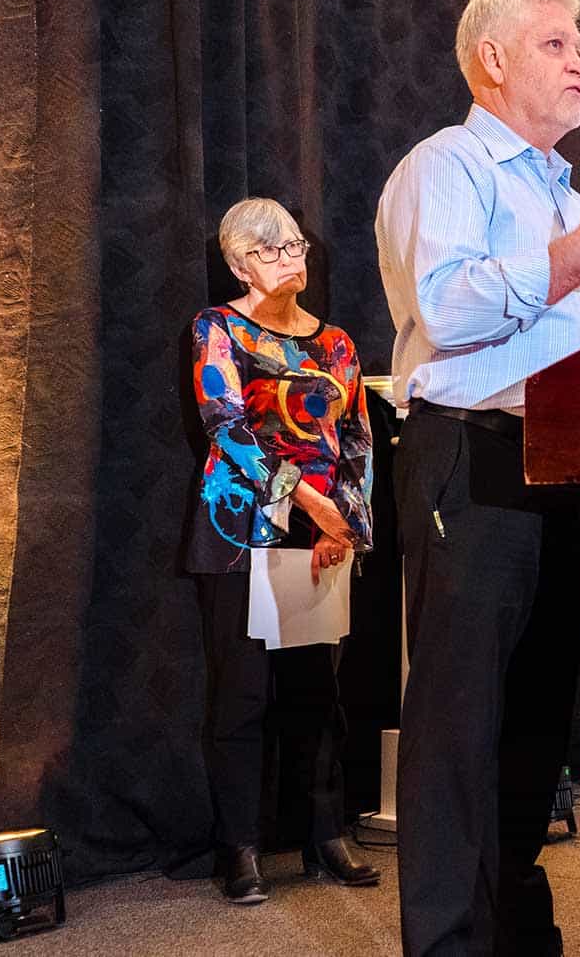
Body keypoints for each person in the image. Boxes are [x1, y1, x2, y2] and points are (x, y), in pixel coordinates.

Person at [376, 0, 580, 956]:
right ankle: (447, 943)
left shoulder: (577, 202)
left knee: (535, 729)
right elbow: (445, 314)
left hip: (567, 478)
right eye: (556, 43)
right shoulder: (444, 169)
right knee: (457, 730)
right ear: (492, 59)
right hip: (470, 465)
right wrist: (576, 259)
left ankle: (512, 926)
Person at [186, 197, 380, 903]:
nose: (291, 255)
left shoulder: (336, 344)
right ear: (239, 263)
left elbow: (357, 440)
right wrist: (312, 504)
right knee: (240, 696)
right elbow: (226, 426)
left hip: (323, 539)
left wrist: (347, 524)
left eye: (294, 242)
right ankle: (239, 847)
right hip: (243, 532)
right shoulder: (218, 327)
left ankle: (325, 833)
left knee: (317, 694)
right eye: (270, 248)